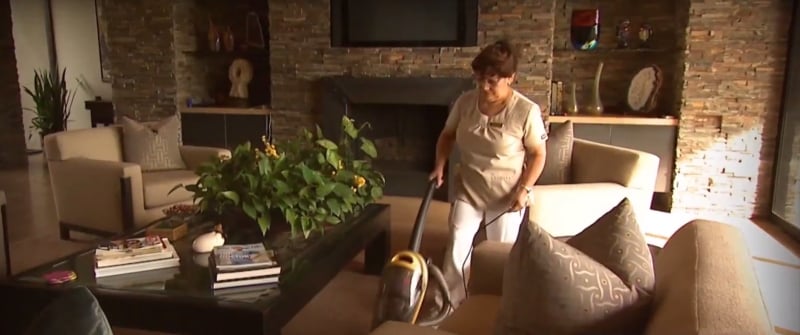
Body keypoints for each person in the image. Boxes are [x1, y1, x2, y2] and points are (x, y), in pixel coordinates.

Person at [429, 39, 548, 307]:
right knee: (457, 248)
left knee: (499, 255)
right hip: (469, 188)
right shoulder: (465, 103)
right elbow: (446, 136)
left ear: (511, 78)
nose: (484, 86)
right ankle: (449, 304)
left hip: (506, 195)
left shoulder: (526, 111)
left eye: (492, 80)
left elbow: (538, 154)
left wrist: (525, 189)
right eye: (480, 78)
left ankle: (498, 306)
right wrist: (440, 164)